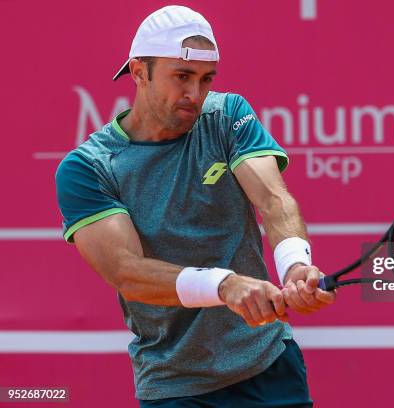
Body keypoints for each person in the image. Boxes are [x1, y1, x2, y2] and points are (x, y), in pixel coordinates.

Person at [55, 5, 335, 407]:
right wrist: (225, 285)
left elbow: (273, 200)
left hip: (270, 368)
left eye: (205, 79)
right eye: (181, 77)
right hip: (176, 386)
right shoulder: (88, 168)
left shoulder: (227, 116)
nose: (195, 94)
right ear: (138, 72)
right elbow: (127, 272)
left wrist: (295, 265)